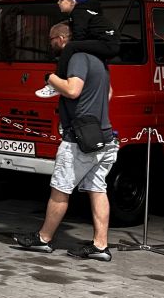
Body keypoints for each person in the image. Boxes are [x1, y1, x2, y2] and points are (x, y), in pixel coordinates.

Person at [13, 22, 117, 261]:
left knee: (60, 189)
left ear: (61, 39)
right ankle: (100, 246)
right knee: (97, 189)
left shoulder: (77, 57)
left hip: (79, 140)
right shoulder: (100, 60)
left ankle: (43, 239)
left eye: (52, 41)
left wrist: (50, 78)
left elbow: (73, 90)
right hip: (103, 135)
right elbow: (109, 93)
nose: (51, 45)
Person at [36, 0, 119, 98]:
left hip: (107, 43)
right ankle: (106, 87)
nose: (58, 2)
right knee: (93, 56)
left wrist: (68, 52)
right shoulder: (84, 12)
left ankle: (56, 83)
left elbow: (79, 36)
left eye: (61, 0)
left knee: (71, 46)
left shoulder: (78, 13)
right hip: (109, 43)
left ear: (72, 2)